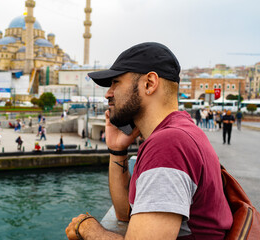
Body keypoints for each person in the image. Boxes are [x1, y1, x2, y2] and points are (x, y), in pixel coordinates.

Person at [65, 42, 232, 239]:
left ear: (149, 83)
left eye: (116, 82)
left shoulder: (169, 144)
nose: (108, 93)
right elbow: (125, 213)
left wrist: (88, 228)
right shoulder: (181, 130)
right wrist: (117, 150)